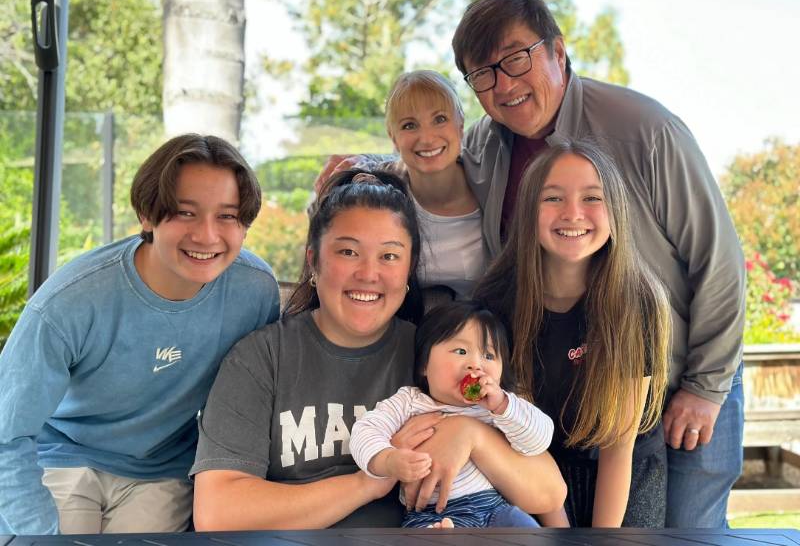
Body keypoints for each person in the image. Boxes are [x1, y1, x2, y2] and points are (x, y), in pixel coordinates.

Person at [453, 0, 746, 528]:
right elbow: (424, 163)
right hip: (558, 405)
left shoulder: (644, 129)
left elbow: (720, 260)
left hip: (676, 379)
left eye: (516, 59)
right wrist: (365, 170)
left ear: (558, 53)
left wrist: (705, 389)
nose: (504, 84)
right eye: (483, 75)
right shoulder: (483, 147)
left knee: (690, 531)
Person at [191, 169, 567, 530]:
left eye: (389, 256)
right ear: (313, 261)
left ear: (409, 269)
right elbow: (220, 513)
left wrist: (470, 434)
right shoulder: (263, 357)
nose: (368, 274)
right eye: (348, 252)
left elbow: (548, 493)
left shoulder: (438, 354)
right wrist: (368, 482)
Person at [0, 134, 281, 535]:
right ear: (147, 216)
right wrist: (40, 537)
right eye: (185, 213)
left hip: (162, 471)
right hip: (61, 456)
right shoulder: (72, 301)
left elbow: (254, 403)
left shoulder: (254, 290)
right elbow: (7, 434)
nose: (207, 235)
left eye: (227, 216)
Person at [475, 142, 672, 527]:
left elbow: (619, 446)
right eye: (553, 197)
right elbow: (520, 432)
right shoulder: (497, 300)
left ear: (616, 212)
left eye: (592, 198)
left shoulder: (639, 300)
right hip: (536, 461)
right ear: (529, 210)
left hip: (622, 466)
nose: (573, 213)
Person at [351, 300, 553, 528]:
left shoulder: (498, 408)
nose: (476, 365)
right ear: (424, 365)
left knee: (528, 531)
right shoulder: (409, 402)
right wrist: (388, 460)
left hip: (495, 509)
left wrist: (504, 406)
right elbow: (365, 430)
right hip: (430, 513)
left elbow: (540, 439)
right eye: (461, 351)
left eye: (488, 356)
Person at [384, 71, 486, 299]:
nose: (427, 138)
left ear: (460, 124)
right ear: (393, 137)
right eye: (409, 125)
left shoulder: (493, 183)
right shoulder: (383, 195)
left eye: (440, 119)